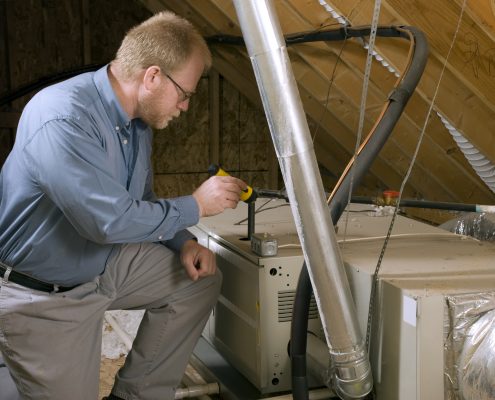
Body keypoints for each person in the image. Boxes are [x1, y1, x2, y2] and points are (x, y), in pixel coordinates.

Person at [0, 11, 246, 400]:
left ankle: (136, 395)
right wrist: (196, 205)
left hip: (101, 264)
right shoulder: (63, 117)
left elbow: (140, 203)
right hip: (45, 294)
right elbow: (107, 223)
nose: (184, 107)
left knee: (199, 280)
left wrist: (183, 242)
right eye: (184, 94)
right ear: (152, 77)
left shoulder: (137, 123)